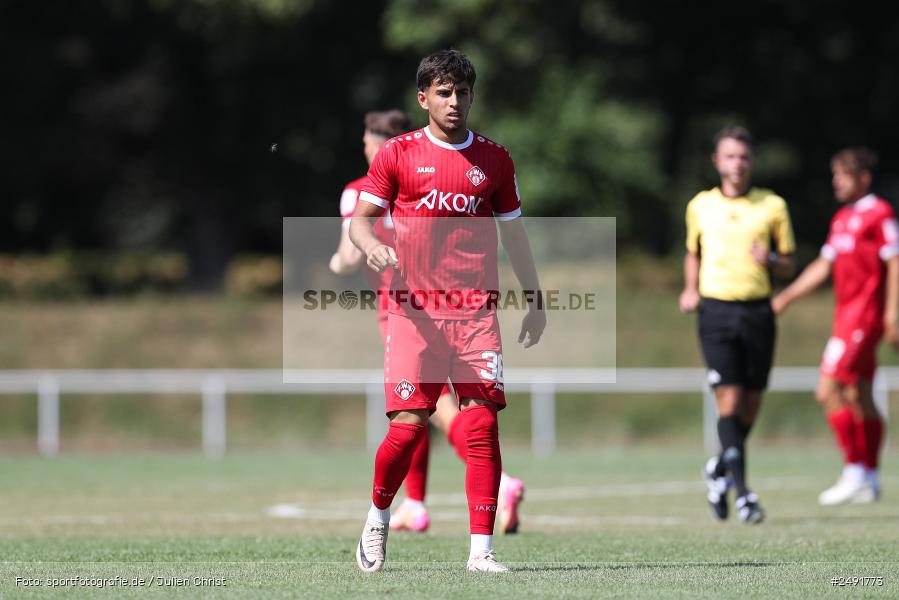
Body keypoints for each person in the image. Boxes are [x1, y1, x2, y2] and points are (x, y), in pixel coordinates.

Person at [349, 49, 545, 573]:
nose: (454, 101)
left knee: (481, 425)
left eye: (462, 92)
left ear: (472, 96)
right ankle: (378, 514)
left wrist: (535, 298)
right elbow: (361, 222)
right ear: (423, 98)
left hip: (477, 316)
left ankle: (481, 551)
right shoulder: (397, 154)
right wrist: (370, 245)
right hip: (414, 314)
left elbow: (514, 234)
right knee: (409, 427)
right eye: (443, 92)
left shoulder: (496, 160)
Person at [330, 110, 526, 535]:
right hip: (450, 299)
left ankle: (501, 483)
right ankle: (415, 504)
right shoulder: (425, 169)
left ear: (372, 144)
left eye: (367, 141)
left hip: (401, 305)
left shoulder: (359, 189)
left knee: (424, 408)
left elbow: (349, 253)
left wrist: (338, 258)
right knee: (418, 411)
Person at [679, 126, 796, 524]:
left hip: (759, 312)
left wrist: (772, 261)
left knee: (750, 406)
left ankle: (719, 470)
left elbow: (789, 262)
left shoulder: (772, 205)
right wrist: (690, 289)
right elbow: (692, 252)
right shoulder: (700, 205)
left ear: (752, 161)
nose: (737, 163)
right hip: (717, 312)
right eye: (730, 156)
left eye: (744, 156)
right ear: (717, 161)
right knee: (727, 401)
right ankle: (744, 494)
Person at [772, 147, 897, 505]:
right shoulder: (841, 218)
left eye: (843, 175)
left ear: (864, 178)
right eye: (835, 175)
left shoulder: (879, 213)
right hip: (845, 317)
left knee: (827, 391)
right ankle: (870, 478)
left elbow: (895, 262)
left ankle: (854, 470)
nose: (836, 182)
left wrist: (892, 314)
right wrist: (785, 298)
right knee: (859, 396)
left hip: (865, 317)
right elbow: (822, 267)